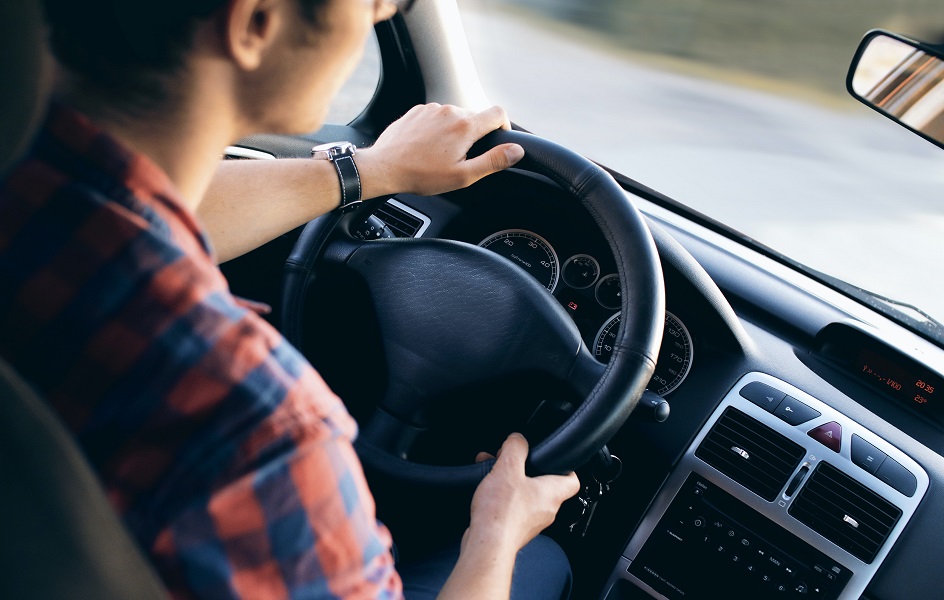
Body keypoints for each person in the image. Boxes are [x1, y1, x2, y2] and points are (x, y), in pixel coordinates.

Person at [0, 0, 580, 598]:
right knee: (542, 561)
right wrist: (496, 531)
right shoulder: (257, 427)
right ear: (255, 22)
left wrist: (374, 169)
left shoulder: (29, 188)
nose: (381, 14)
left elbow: (150, 210)